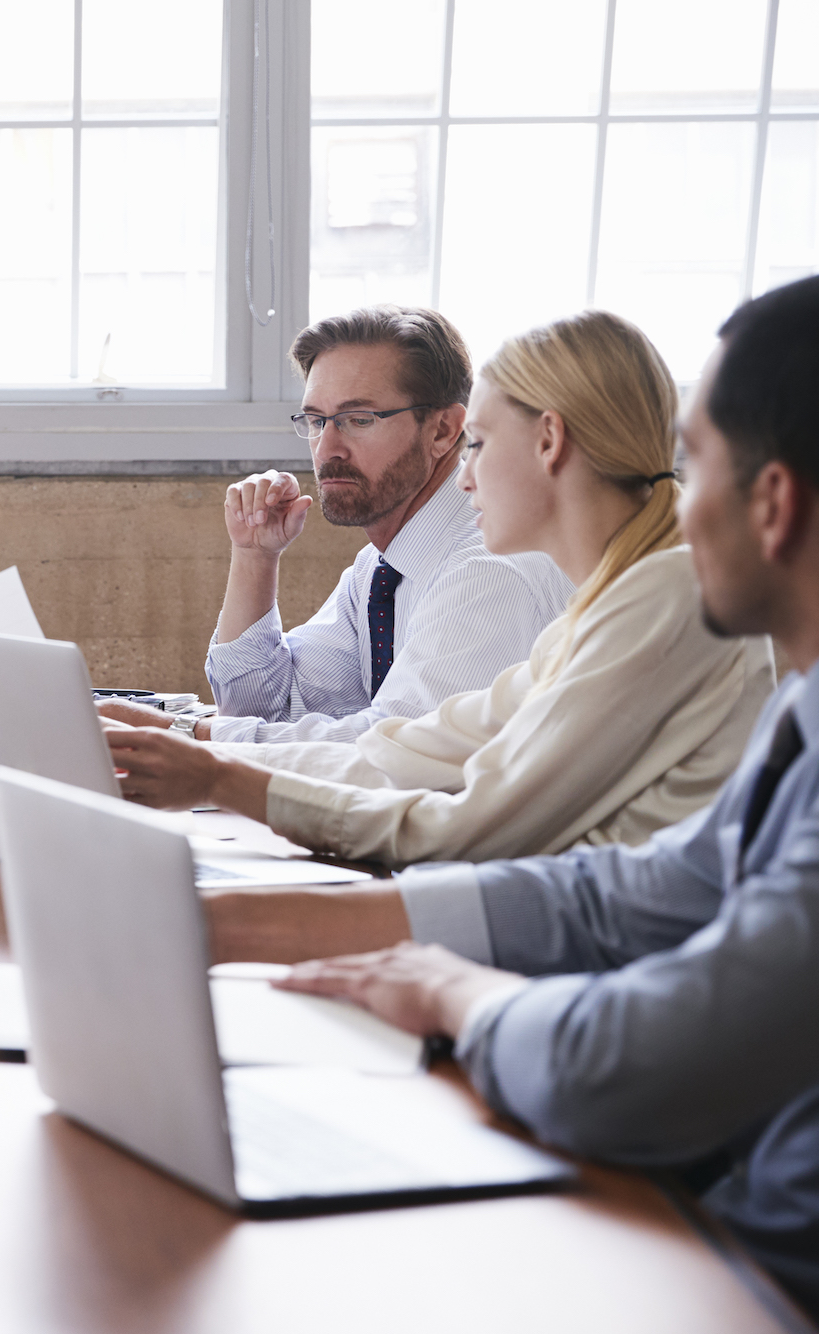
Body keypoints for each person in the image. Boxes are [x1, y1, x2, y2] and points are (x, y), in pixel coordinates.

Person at [208, 276, 819, 1314]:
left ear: (770, 502)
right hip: (707, 1181)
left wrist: (455, 990)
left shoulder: (656, 592)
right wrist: (254, 905)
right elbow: (627, 887)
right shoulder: (791, 705)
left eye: (696, 459)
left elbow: (623, 1050)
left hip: (754, 1262)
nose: (676, 494)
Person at [103, 311, 775, 866]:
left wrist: (216, 768)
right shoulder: (614, 600)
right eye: (315, 420)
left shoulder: (647, 598)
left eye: (478, 444)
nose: (466, 476)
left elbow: (461, 817)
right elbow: (410, 746)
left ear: (548, 442)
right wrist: (202, 744)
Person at [103, 306, 573, 744]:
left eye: (358, 419)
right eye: (316, 420)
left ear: (444, 430)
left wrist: (185, 732)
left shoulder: (489, 569)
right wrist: (255, 556)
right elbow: (264, 710)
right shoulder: (381, 569)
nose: (327, 448)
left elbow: (395, 753)